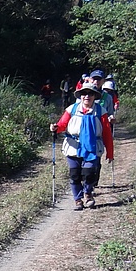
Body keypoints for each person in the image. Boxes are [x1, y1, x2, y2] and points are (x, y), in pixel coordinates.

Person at [49, 82, 114, 210]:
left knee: (89, 173)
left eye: (90, 94)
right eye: (84, 93)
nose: (87, 96)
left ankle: (88, 193)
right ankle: (78, 199)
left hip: (93, 146)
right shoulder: (72, 109)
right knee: (75, 174)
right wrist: (55, 128)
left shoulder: (101, 111)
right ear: (80, 96)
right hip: (73, 146)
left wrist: (110, 153)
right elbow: (61, 125)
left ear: (95, 96)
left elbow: (106, 133)